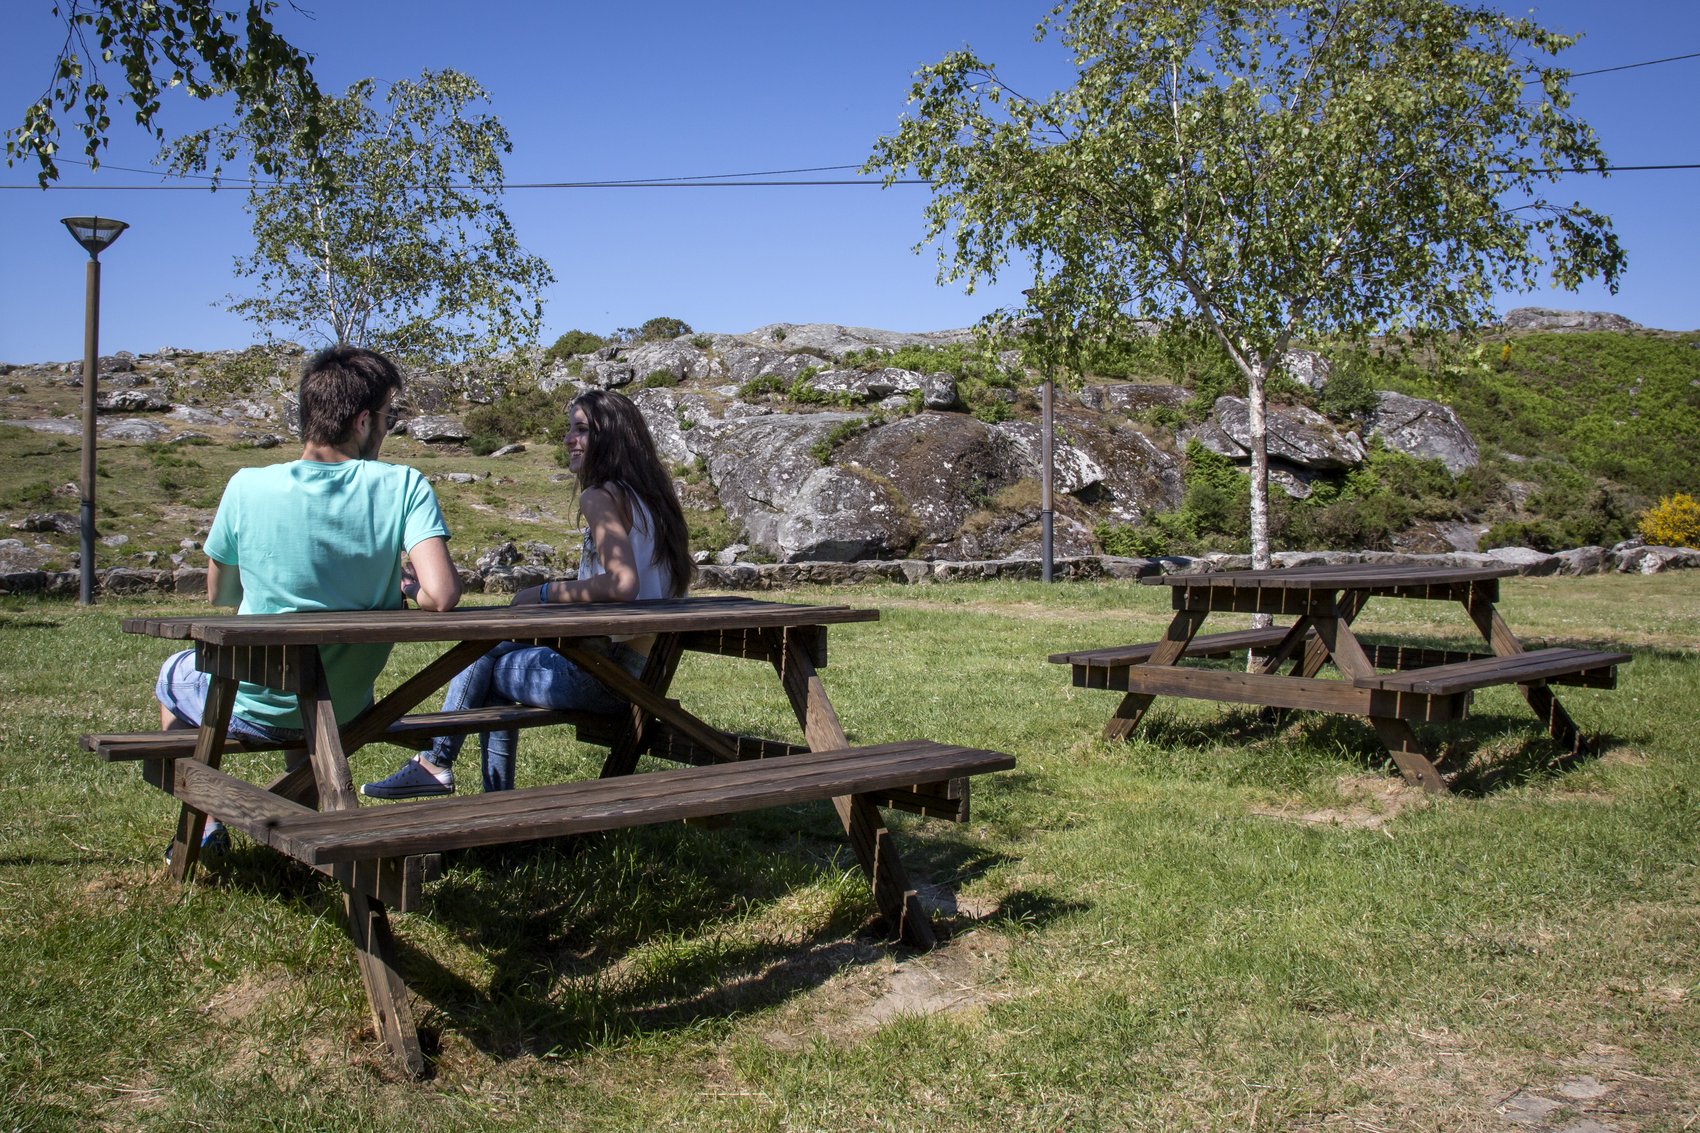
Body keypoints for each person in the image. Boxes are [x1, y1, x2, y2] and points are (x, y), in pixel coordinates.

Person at [156, 345, 462, 856]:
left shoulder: (246, 486)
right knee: (311, 692)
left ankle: (205, 816)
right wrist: (408, 589)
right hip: (346, 706)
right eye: (387, 418)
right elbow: (443, 594)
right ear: (363, 421)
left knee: (172, 675)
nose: (387, 431)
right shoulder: (404, 485)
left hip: (252, 701)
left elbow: (221, 594)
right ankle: (301, 805)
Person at [363, 387, 692, 798]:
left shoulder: (601, 496)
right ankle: (452, 774)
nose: (569, 440)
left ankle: (445, 768)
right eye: (569, 429)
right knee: (487, 653)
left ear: (611, 438)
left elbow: (622, 585)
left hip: (608, 677)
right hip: (645, 674)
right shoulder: (653, 501)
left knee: (484, 664)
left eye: (581, 430)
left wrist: (540, 594)